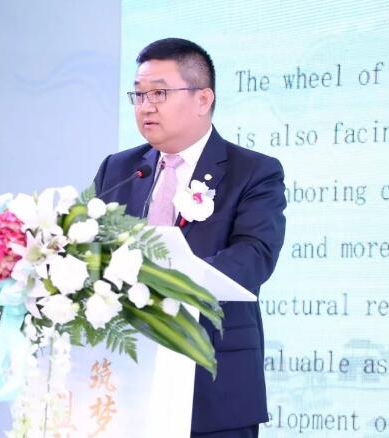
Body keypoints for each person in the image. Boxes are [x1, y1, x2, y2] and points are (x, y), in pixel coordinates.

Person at [93, 38, 286, 438]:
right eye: (139, 94)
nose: (146, 106)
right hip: (126, 381)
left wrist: (163, 281)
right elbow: (93, 249)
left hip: (213, 383)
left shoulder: (253, 171)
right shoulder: (119, 169)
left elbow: (255, 256)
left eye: (159, 93)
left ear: (203, 99)